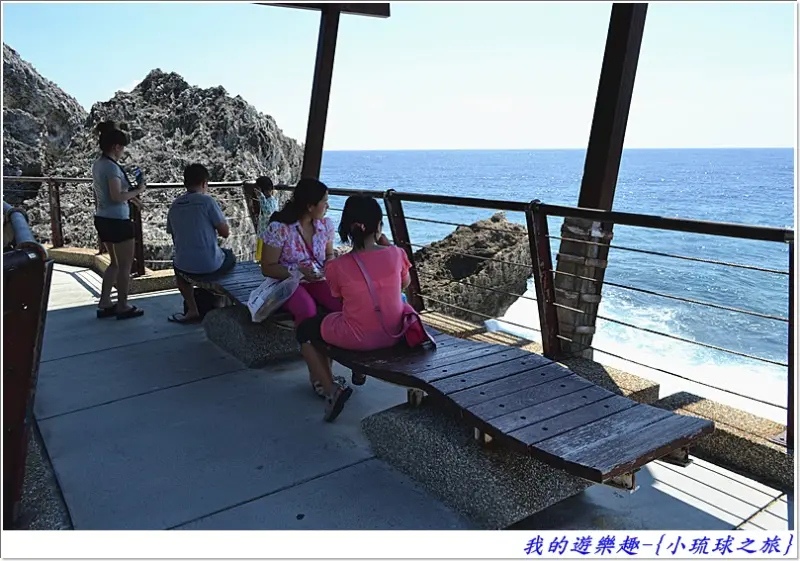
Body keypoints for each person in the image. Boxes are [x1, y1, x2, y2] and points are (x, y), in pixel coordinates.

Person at [295, 195, 414, 422]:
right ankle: (356, 371)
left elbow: (338, 297)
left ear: (347, 228)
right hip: (395, 332)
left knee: (305, 331)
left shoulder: (337, 266)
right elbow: (404, 284)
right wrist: (387, 247)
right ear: (379, 226)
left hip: (359, 337)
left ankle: (331, 390)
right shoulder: (397, 254)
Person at [259, 178, 346, 401]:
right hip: (288, 282)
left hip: (316, 279)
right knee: (307, 311)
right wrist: (296, 271)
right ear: (310, 205)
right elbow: (268, 267)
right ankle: (318, 376)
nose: (327, 206)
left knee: (340, 305)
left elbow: (328, 255)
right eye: (324, 202)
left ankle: (332, 367)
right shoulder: (280, 228)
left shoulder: (325, 225)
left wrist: (329, 267)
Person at [167, 163, 236, 324]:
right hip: (210, 265)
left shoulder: (174, 205)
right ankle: (223, 302)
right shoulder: (207, 202)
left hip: (184, 265)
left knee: (178, 267)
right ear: (205, 183)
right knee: (230, 256)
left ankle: (192, 310)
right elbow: (225, 233)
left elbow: (175, 237)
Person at [92, 120, 147, 320]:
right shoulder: (113, 168)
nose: (123, 151)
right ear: (116, 146)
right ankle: (123, 305)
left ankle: (105, 302)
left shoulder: (99, 164)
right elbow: (116, 196)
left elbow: (109, 194)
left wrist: (134, 200)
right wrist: (138, 191)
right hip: (118, 222)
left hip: (103, 219)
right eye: (122, 147)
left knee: (114, 263)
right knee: (125, 265)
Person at [254, 176, 279, 263]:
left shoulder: (270, 201)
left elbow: (268, 211)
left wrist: (261, 197)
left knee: (263, 256)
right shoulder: (273, 200)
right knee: (259, 255)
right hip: (263, 233)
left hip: (266, 235)